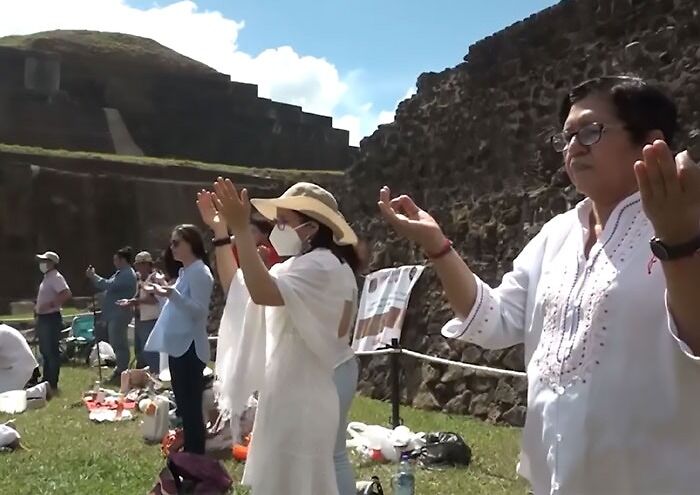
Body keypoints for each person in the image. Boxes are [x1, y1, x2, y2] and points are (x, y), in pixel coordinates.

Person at [378, 75, 700, 495]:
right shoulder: (556, 234)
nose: (574, 148)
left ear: (650, 143)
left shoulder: (689, 221)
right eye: (566, 138)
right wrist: (437, 245)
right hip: (554, 478)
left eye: (590, 131)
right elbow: (492, 321)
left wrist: (678, 242)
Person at [204, 179, 361, 495]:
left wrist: (242, 230)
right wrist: (223, 235)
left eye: (284, 221)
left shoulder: (321, 266)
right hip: (312, 373)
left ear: (312, 226)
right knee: (327, 461)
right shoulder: (310, 265)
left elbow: (260, 291)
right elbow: (240, 288)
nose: (278, 228)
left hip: (313, 378)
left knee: (309, 467)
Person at [144, 225, 214, 454]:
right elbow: (178, 307)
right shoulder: (186, 272)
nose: (171, 248)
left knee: (191, 407)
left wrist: (171, 294)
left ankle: (196, 456)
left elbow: (199, 311)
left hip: (191, 349)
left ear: (191, 244)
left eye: (177, 243)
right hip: (178, 348)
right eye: (171, 243)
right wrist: (163, 293)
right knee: (184, 406)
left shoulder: (200, 272)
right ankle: (190, 451)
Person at [86, 246, 137, 383]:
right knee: (116, 342)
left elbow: (108, 285)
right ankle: (121, 369)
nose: (114, 262)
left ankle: (122, 370)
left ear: (122, 260)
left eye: (116, 259)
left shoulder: (127, 274)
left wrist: (94, 277)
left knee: (119, 343)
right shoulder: (120, 273)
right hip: (114, 314)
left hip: (120, 313)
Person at [34, 251, 71, 392]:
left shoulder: (56, 277)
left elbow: (66, 293)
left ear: (51, 262)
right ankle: (46, 379)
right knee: (45, 350)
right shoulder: (47, 278)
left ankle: (52, 382)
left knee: (51, 351)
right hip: (44, 318)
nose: (41, 263)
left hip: (51, 318)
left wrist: (50, 304)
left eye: (44, 260)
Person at [120, 251, 161, 373]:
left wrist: (134, 302)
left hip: (150, 319)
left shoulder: (154, 278)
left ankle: (155, 375)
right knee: (139, 351)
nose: (139, 267)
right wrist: (129, 301)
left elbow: (154, 299)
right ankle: (142, 377)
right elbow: (137, 296)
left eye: (142, 264)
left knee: (150, 352)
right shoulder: (140, 279)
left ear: (148, 264)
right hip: (139, 319)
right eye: (137, 264)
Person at [0, 324, 39, 394]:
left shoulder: (1, 332)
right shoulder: (4, 329)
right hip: (25, 367)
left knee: (4, 397)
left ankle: (37, 393)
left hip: (20, 369)